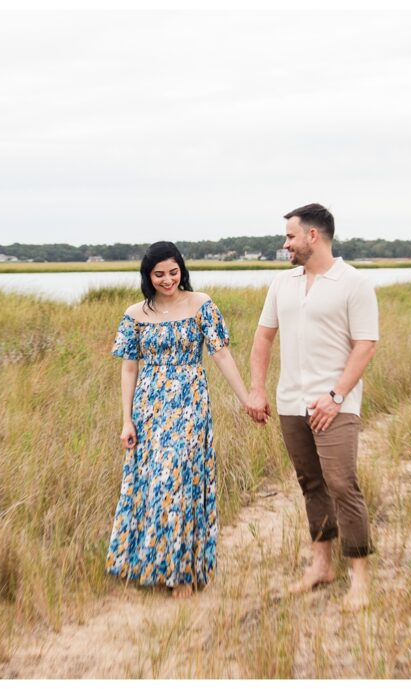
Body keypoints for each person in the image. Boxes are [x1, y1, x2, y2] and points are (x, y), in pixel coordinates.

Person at [245, 203, 378, 612]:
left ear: (312, 236)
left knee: (342, 483)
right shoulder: (282, 285)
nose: (285, 243)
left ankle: (360, 579)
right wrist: (257, 389)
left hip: (335, 405)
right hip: (290, 402)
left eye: (290, 236)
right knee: (311, 484)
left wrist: (336, 396)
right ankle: (321, 566)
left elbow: (366, 344)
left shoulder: (353, 282)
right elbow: (263, 339)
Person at [106, 241, 252, 599]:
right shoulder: (135, 314)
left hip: (189, 403)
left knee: (180, 482)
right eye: (159, 274)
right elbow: (129, 368)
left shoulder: (201, 304)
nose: (168, 280)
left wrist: (246, 398)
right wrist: (127, 420)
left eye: (173, 272)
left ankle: (183, 572)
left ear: (181, 270)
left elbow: (220, 354)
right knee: (153, 485)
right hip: (149, 408)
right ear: (148, 275)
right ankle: (153, 566)